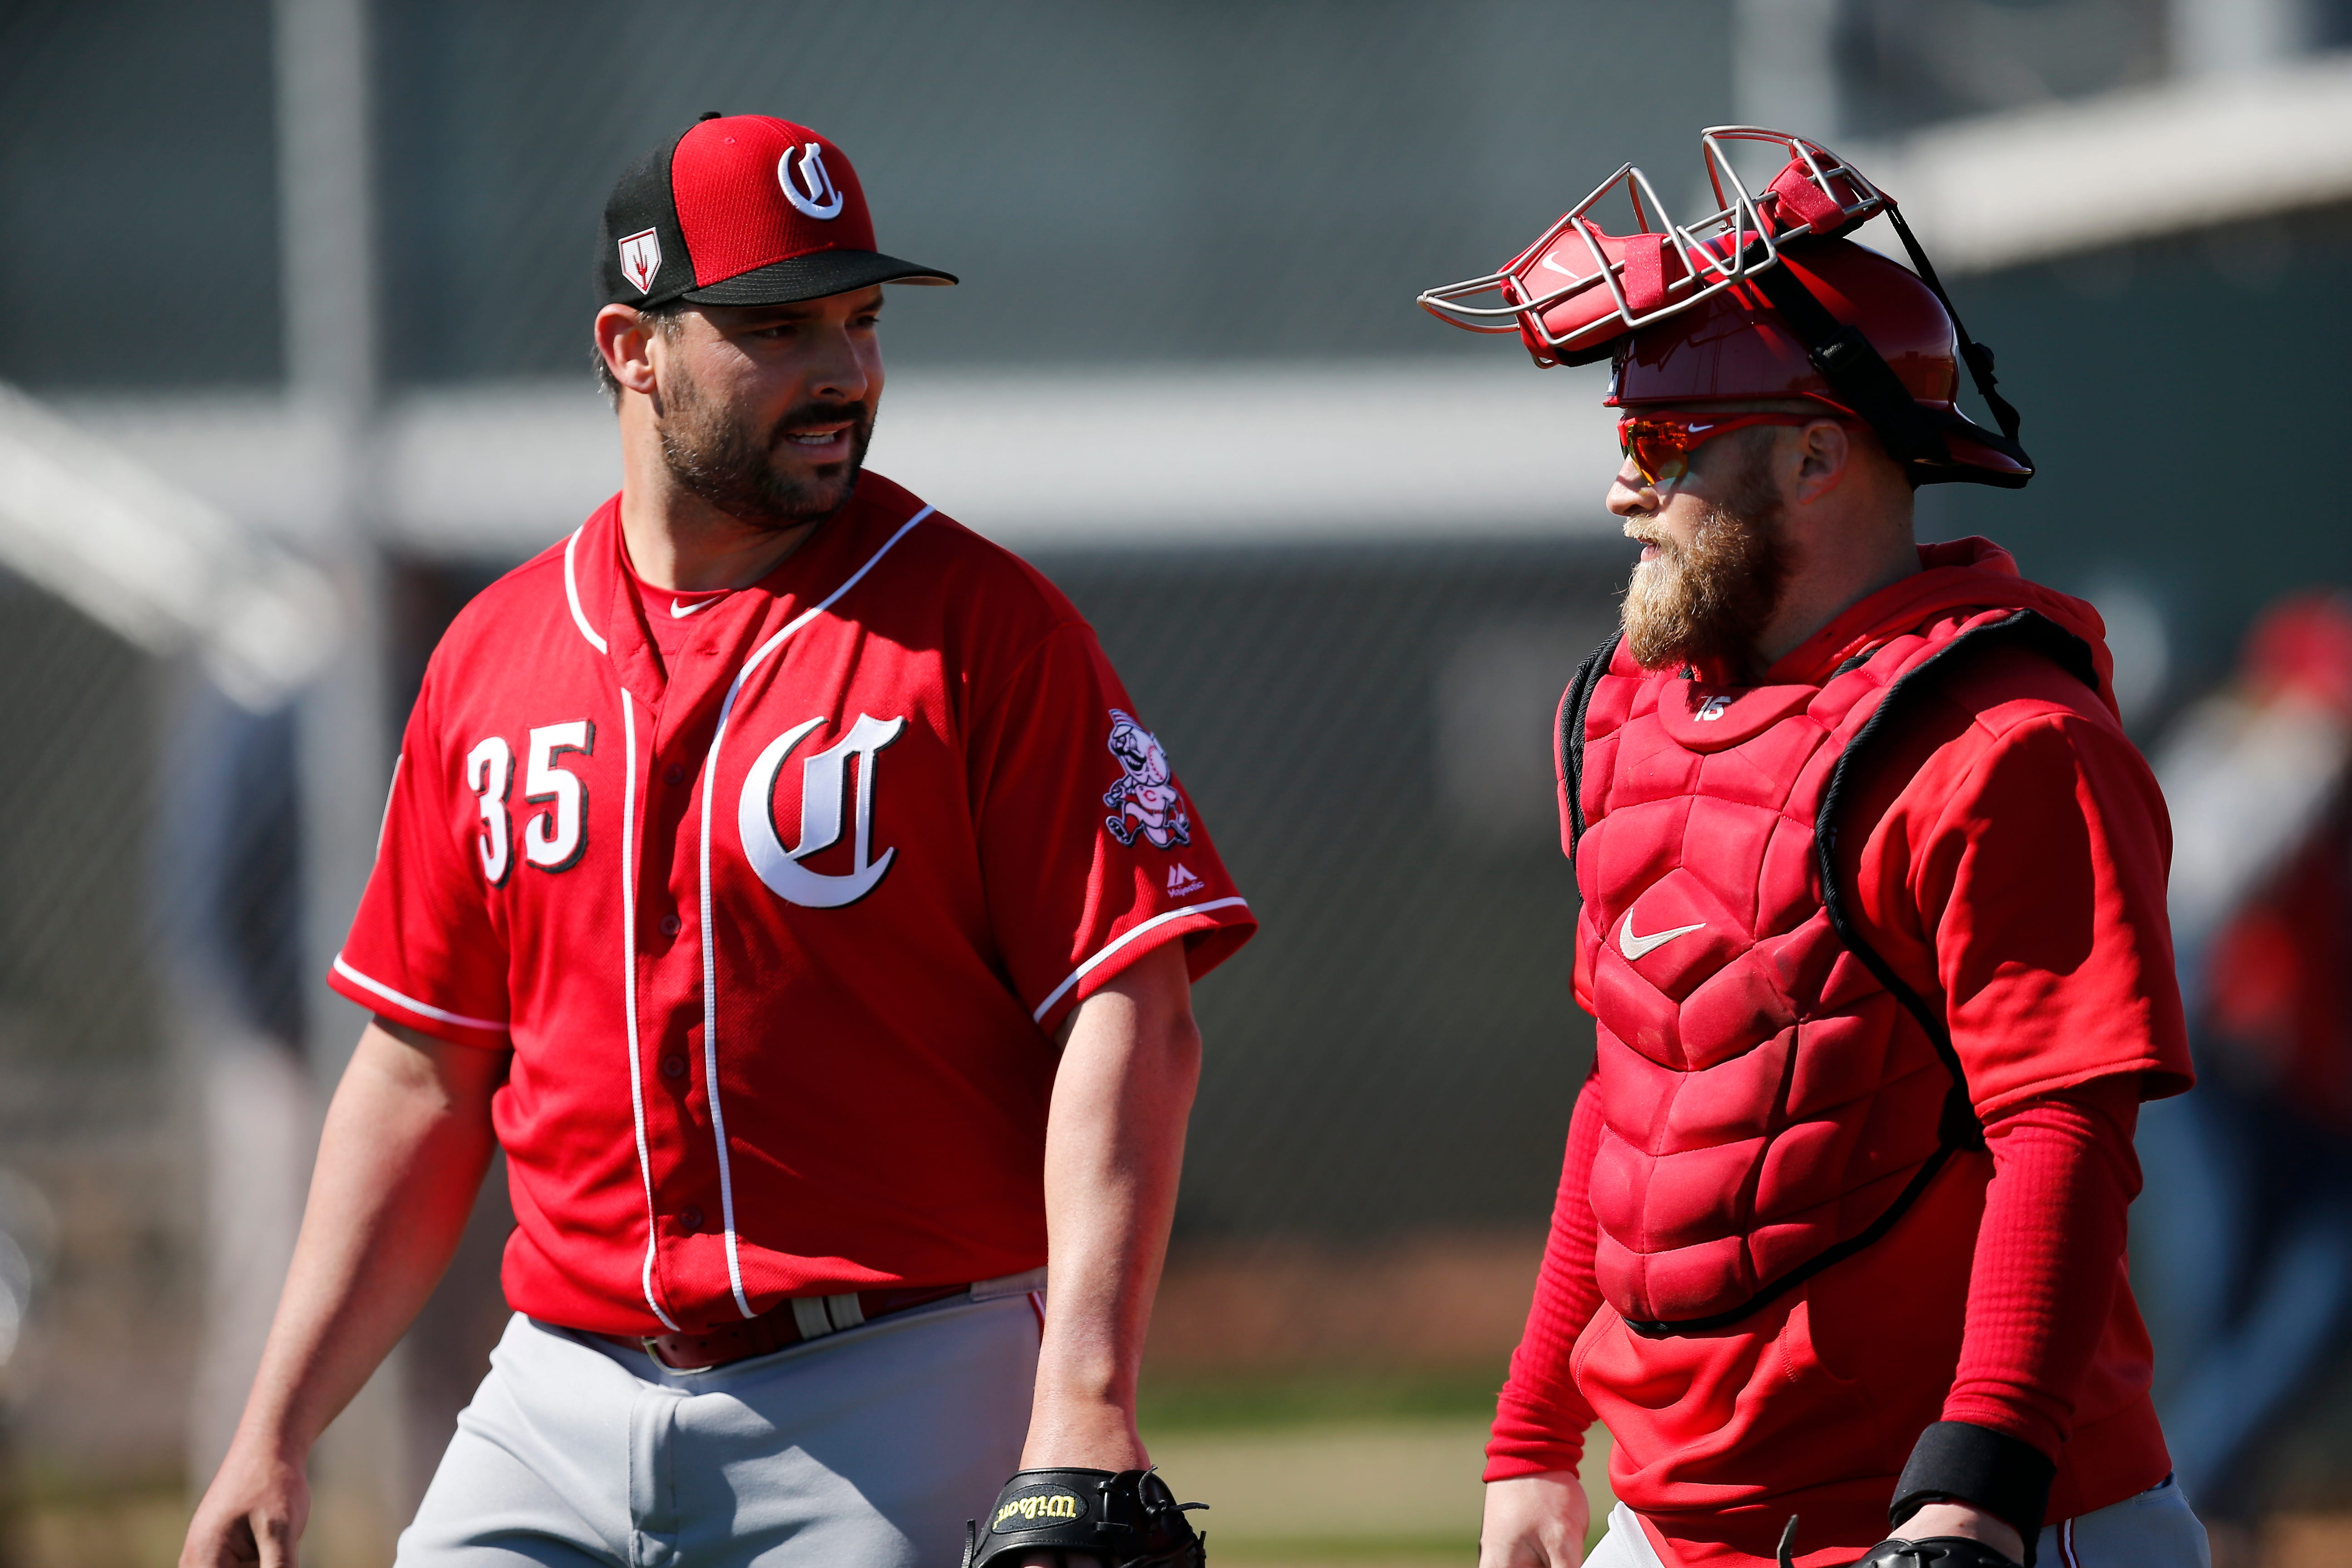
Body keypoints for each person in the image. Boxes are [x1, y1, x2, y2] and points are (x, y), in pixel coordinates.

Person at [180, 113, 1253, 1568]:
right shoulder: (490, 657)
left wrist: (1081, 1398)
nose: (843, 371)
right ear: (631, 347)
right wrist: (276, 1425)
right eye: (776, 326)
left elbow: (1137, 1009)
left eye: (861, 321)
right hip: (552, 1390)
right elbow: (424, 1069)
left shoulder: (983, 633)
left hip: (896, 1380)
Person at [1418, 130, 2205, 1568]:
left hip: (1988, 1520)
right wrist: (1533, 1433)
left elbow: (2064, 1135)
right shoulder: (1628, 716)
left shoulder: (2007, 740)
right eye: (1619, 442)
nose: (1619, 492)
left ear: (1817, 454)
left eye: (1658, 444)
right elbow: (1638, 1094)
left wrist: (1985, 1473)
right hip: (1676, 1521)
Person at [2138, 592, 2352, 1529]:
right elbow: (2205, 883)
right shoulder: (2269, 756)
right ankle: (2186, 1507)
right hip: (2217, 1053)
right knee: (2219, 1272)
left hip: (2306, 1089)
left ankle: (2201, 1502)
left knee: (2304, 1291)